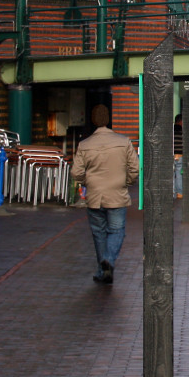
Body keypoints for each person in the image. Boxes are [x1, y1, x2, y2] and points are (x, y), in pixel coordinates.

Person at [72, 104, 139, 285]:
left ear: (93, 120)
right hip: (117, 193)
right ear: (108, 119)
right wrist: (127, 182)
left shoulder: (84, 145)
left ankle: (102, 270)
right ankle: (108, 260)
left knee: (98, 233)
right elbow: (134, 168)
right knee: (117, 231)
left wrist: (88, 182)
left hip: (94, 195)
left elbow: (76, 172)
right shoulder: (124, 141)